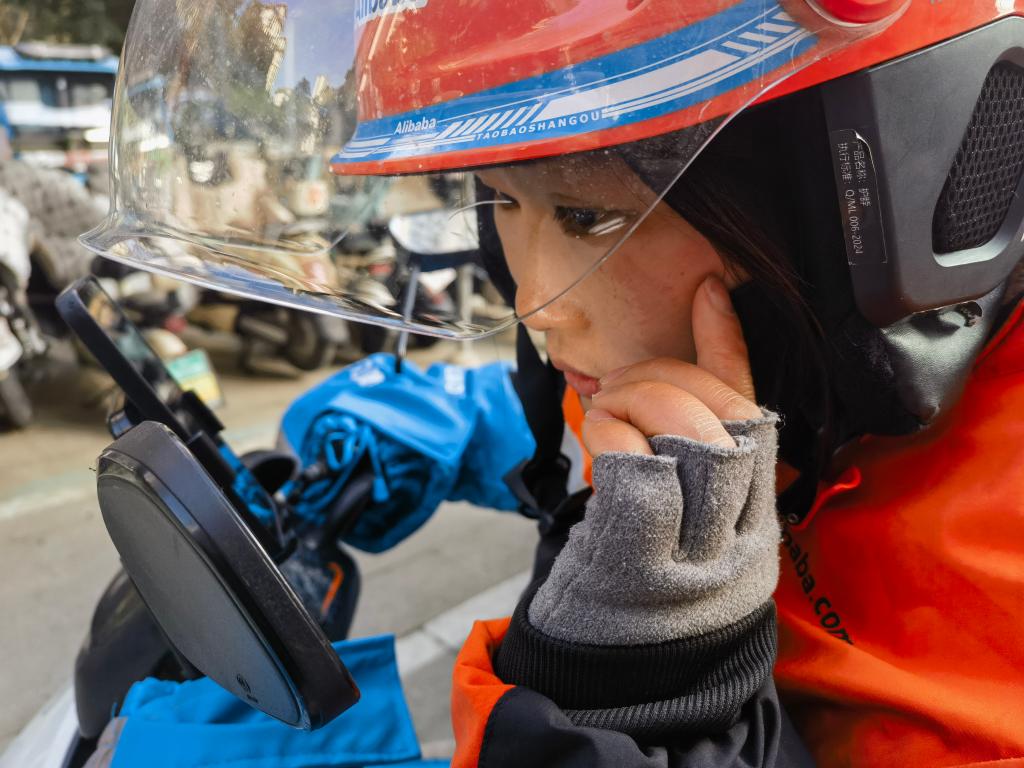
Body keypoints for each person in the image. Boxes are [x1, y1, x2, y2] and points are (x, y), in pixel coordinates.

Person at [91, 0, 1024, 765]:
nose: (535, 302)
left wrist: (639, 703)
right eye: (501, 197)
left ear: (844, 216)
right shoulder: (722, 364)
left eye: (586, 215)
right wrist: (464, 429)